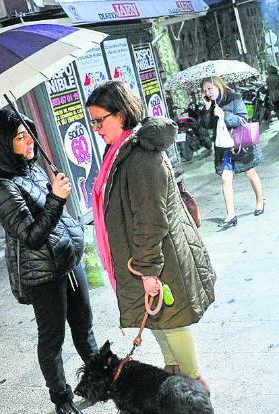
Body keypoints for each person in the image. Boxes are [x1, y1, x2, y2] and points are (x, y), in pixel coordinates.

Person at [86, 80, 216, 392]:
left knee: (171, 319)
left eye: (99, 120)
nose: (96, 128)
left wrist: (147, 268)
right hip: (142, 257)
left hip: (157, 256)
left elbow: (150, 220)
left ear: (120, 115)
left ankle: (196, 385)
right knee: (157, 318)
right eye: (92, 121)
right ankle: (174, 373)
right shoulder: (119, 152)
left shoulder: (141, 158)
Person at [0, 109, 98, 414]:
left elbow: (54, 217)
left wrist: (57, 197)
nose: (29, 142)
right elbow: (32, 237)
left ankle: (97, 378)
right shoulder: (1, 187)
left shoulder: (32, 170)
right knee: (52, 340)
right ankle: (62, 401)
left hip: (66, 262)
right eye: (19, 137)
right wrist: (56, 198)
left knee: (84, 325)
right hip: (41, 274)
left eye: (29, 134)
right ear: (4, 144)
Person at [198, 76, 265, 229]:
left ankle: (260, 201)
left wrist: (224, 115)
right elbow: (206, 125)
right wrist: (207, 109)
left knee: (250, 173)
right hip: (223, 147)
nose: (208, 92)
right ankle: (231, 215)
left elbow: (243, 119)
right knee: (225, 179)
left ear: (218, 86)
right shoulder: (210, 103)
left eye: (210, 89)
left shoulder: (234, 98)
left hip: (239, 144)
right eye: (205, 90)